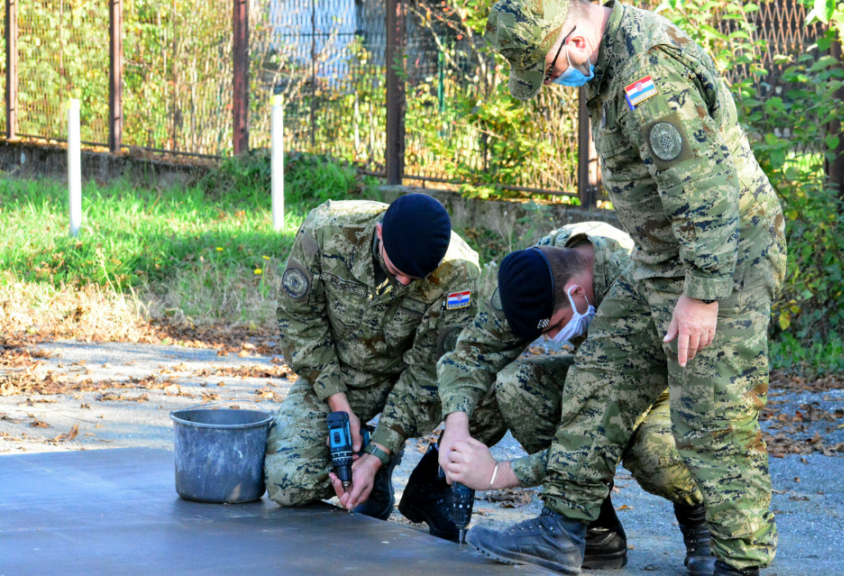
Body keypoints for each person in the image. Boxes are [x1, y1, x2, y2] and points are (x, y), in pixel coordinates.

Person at [455, 1, 788, 575]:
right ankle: (564, 530)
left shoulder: (647, 72)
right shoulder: (607, 65)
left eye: (551, 69)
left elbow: (706, 190)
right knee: (598, 375)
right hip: (662, 261)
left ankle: (740, 565)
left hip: (725, 264)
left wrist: (704, 293)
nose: (556, 82)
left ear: (575, 40)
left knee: (714, 419)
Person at [437, 221, 715, 573]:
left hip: (669, 389)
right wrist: (456, 426)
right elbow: (474, 352)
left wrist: (498, 475)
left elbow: (606, 416)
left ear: (577, 294)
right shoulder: (540, 268)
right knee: (519, 385)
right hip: (604, 383)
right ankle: (595, 529)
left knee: (653, 450)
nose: (552, 339)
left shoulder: (632, 285)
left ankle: (703, 520)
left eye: (555, 326)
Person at [265, 194, 506, 523]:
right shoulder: (326, 230)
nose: (404, 282)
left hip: (408, 380)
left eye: (414, 278)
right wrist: (339, 404)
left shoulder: (458, 272)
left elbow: (429, 371)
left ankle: (425, 485)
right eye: (397, 271)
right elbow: (299, 322)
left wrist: (379, 451)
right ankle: (367, 473)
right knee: (287, 483)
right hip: (341, 374)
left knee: (492, 390)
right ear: (379, 234)